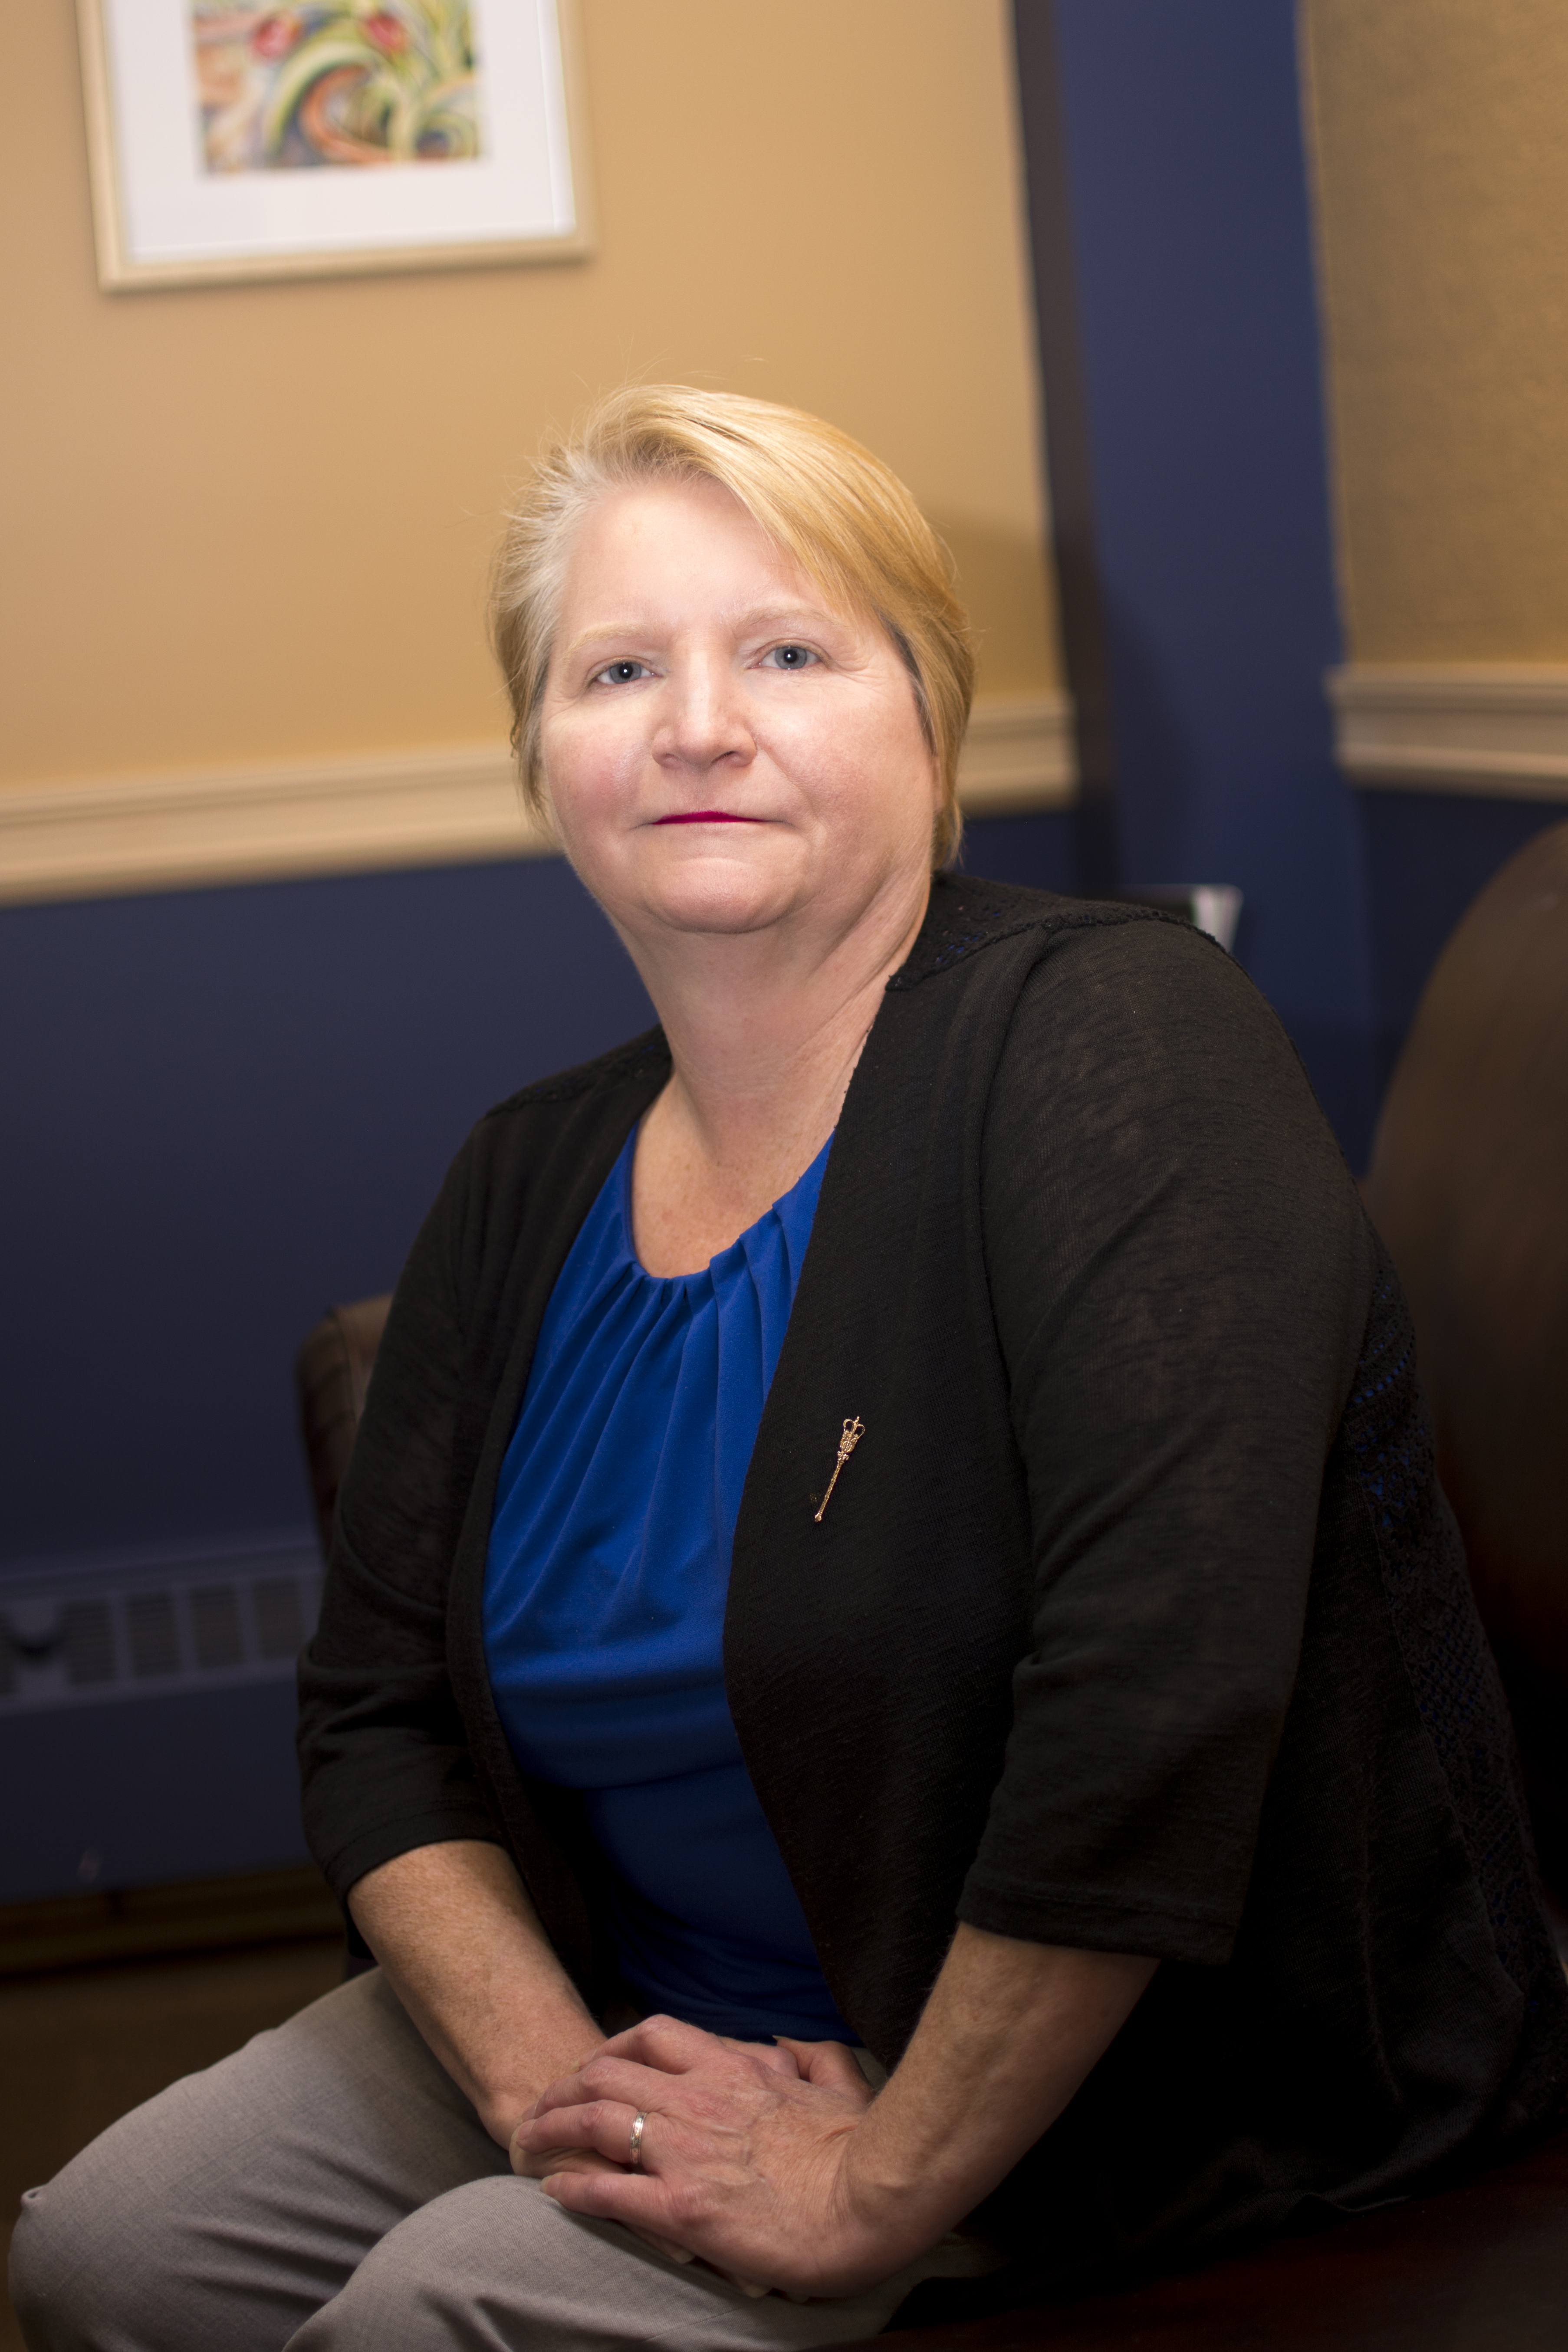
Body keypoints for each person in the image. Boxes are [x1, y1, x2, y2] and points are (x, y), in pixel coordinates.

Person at [12, 386, 1566, 2352]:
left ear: (926, 727)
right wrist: (559, 2093)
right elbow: (375, 1713)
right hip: (632, 1994)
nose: (694, 723)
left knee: (426, 2314)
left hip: (1095, 2068)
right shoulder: (525, 1171)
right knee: (102, 2248)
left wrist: (880, 2171)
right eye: (617, 668)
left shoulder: (1113, 1045)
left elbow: (1156, 1698)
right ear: (542, 757)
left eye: (787, 651)